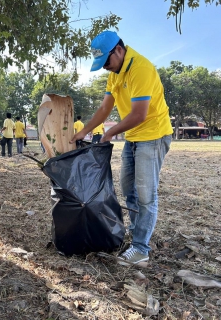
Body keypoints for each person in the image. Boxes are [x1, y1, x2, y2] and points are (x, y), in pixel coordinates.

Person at [70, 31, 173, 266]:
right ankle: (138, 235)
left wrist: (110, 133)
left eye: (106, 62)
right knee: (130, 190)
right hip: (134, 137)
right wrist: (85, 131)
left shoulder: (140, 68)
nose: (105, 67)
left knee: (146, 195)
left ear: (119, 50)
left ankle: (140, 249)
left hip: (154, 135)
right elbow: (106, 108)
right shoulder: (115, 74)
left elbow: (139, 114)